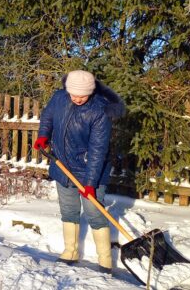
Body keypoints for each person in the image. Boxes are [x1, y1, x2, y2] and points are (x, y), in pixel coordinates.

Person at [33, 70, 124, 273]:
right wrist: (43, 135)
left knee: (94, 213)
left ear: (90, 93)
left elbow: (98, 150)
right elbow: (48, 116)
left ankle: (105, 260)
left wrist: (90, 182)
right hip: (62, 166)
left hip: (90, 168)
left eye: (82, 96)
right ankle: (70, 251)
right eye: (74, 95)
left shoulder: (100, 110)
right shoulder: (59, 98)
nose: (77, 99)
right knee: (68, 209)